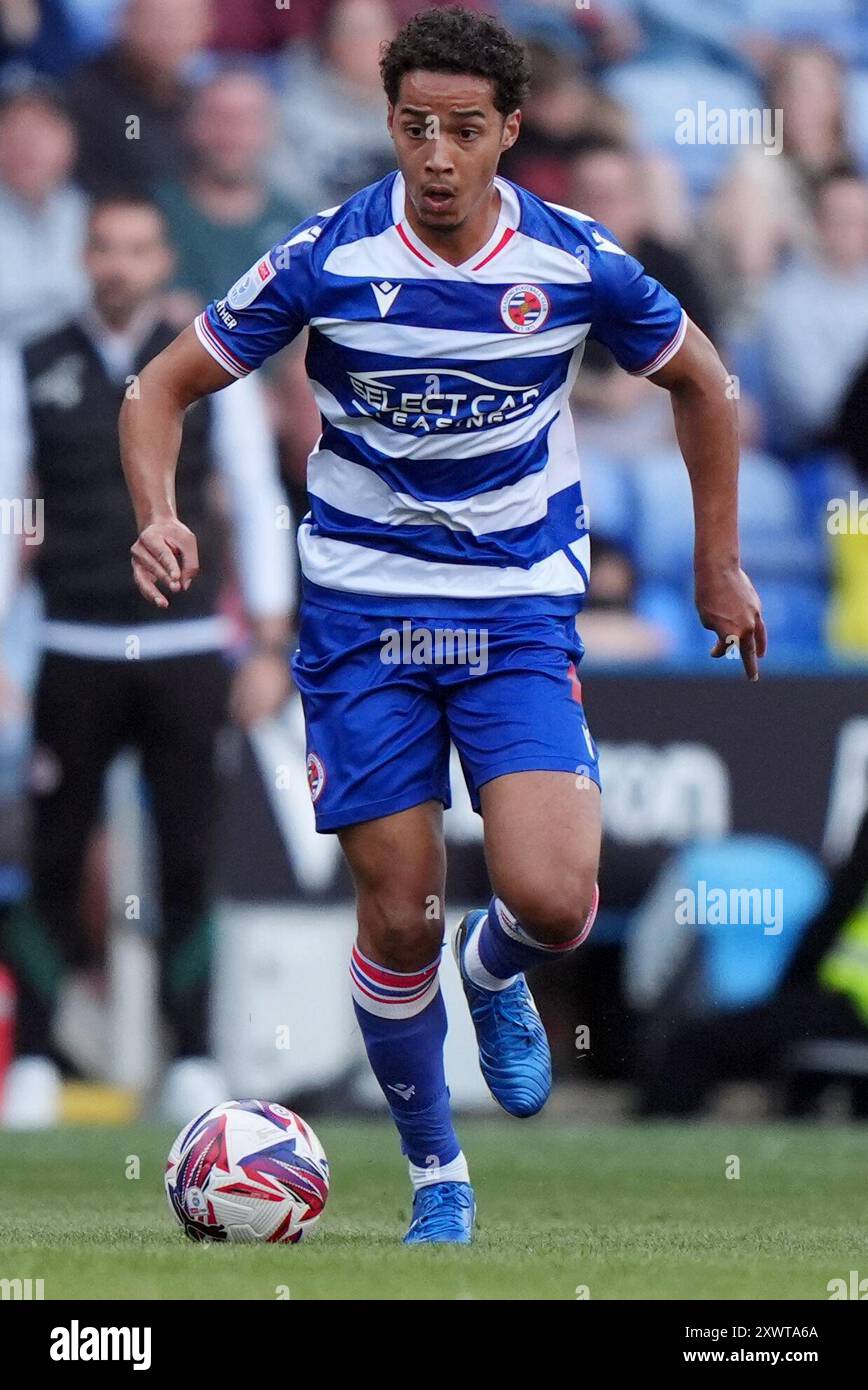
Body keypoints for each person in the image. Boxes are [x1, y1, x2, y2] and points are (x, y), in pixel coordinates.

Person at [119, 7, 765, 1244]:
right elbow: (161, 387)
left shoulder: (573, 260)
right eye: (415, 126)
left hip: (515, 609)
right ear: (391, 126)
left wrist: (717, 561)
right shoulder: (327, 256)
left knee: (553, 895)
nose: (436, 153)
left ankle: (496, 972)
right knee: (399, 908)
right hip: (364, 618)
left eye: (464, 130)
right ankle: (437, 1179)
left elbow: (703, 379)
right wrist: (159, 511)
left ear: (510, 133)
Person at [0, 195, 294, 1129]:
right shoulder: (33, 362)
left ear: (164, 256)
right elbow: (12, 507)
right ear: (85, 257)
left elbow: (252, 497)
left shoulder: (208, 365)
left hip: (186, 650)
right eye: (104, 247)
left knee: (190, 856)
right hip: (72, 645)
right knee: (51, 855)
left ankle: (195, 1055)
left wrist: (270, 643)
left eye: (137, 247)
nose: (119, 265)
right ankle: (36, 1059)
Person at [154, 68, 304, 308]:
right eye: (218, 116)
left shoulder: (297, 224)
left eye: (247, 119)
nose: (232, 132)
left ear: (271, 129)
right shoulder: (154, 212)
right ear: (191, 124)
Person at [0, 83, 89, 348]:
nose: (27, 144)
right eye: (14, 129)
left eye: (43, 130)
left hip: (75, 366)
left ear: (70, 140)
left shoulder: (89, 213)